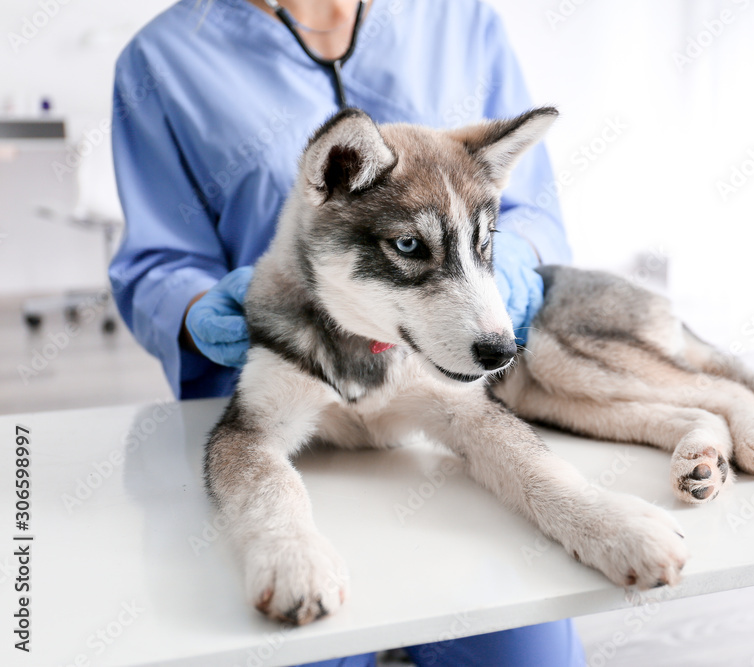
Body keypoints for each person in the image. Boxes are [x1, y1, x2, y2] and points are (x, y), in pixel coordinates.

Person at [109, 0, 583, 665]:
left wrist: (499, 272)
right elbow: (157, 259)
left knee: (528, 652)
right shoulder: (164, 58)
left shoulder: (457, 18)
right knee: (301, 636)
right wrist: (197, 308)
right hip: (287, 413)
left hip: (433, 430)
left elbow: (530, 205)